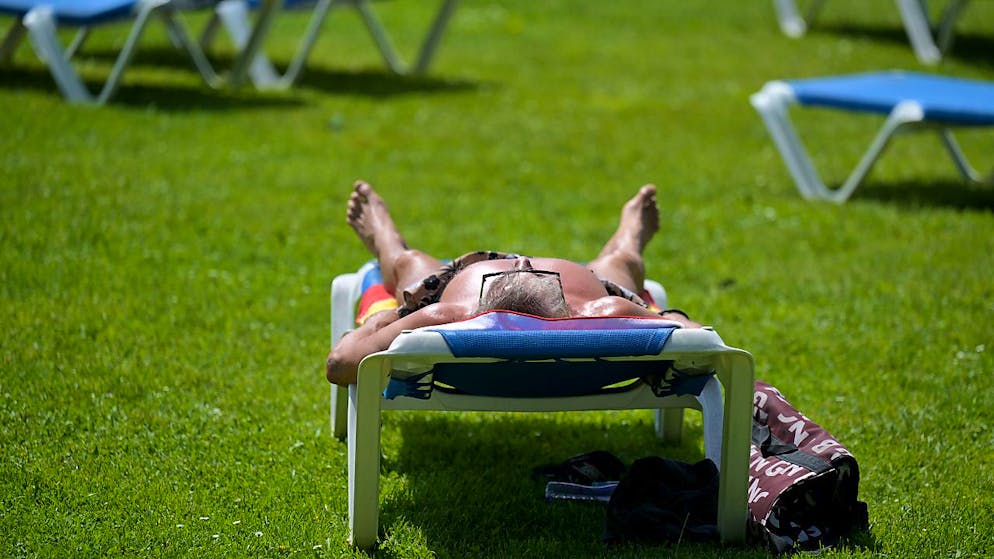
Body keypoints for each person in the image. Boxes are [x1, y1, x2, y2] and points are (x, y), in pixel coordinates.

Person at [326, 181, 702, 386]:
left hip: (446, 283)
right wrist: (672, 316)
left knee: (408, 263)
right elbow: (700, 341)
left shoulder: (444, 316)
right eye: (530, 270)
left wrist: (383, 321)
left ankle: (385, 240)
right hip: (595, 286)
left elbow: (341, 364)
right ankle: (629, 238)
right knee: (620, 262)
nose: (520, 260)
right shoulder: (605, 311)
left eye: (513, 270)